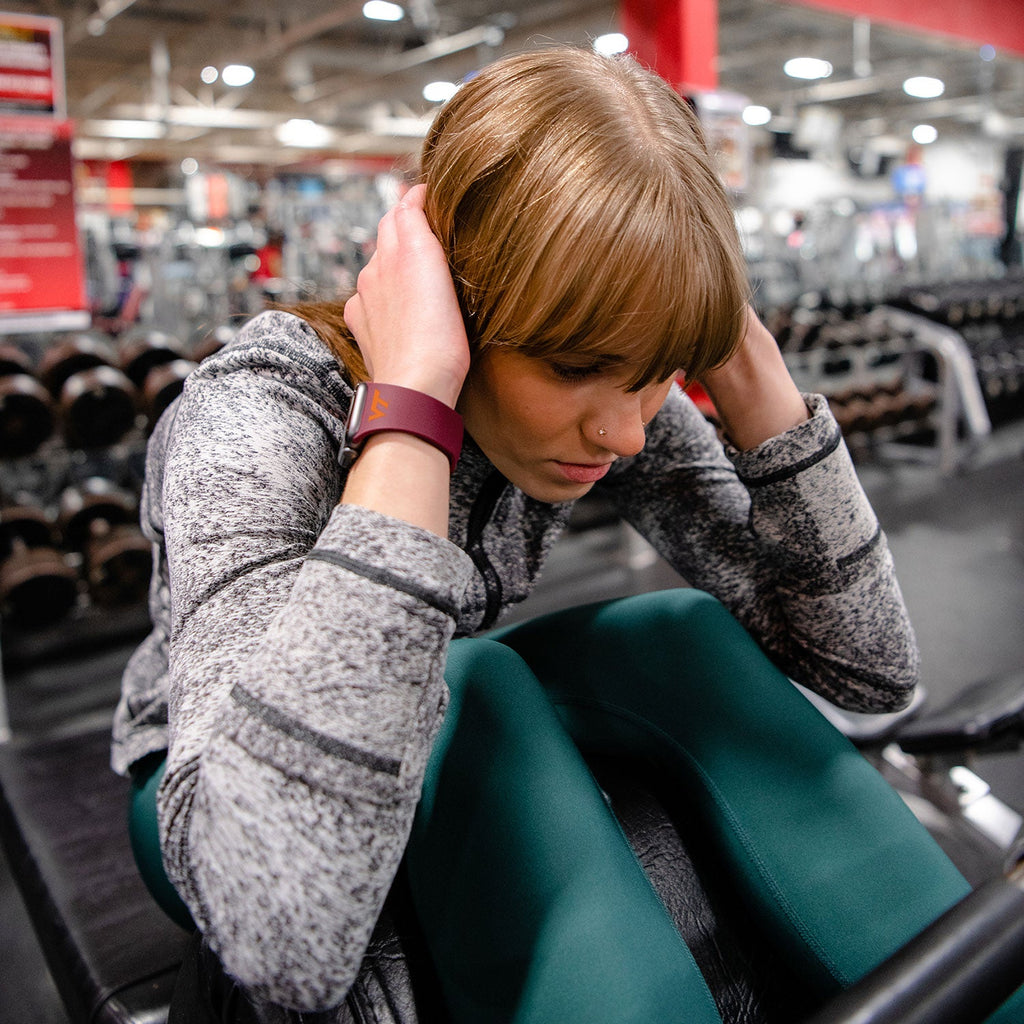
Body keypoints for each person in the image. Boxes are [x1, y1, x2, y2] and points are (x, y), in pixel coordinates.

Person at [111, 45, 994, 1024]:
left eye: (656, 374)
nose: (626, 433)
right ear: (453, 297)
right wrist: (413, 415)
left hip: (423, 700)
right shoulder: (260, 412)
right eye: (575, 368)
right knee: (474, 685)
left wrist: (738, 353)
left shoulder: (624, 401)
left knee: (677, 633)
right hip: (217, 787)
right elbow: (271, 919)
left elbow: (868, 671)